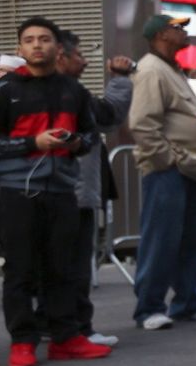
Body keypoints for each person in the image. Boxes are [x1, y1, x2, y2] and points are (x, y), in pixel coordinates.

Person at [0, 17, 113, 366]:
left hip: (62, 189)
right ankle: (23, 341)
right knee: (20, 269)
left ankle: (66, 337)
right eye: (29, 40)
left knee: (63, 268)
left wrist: (75, 142)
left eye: (45, 39)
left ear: (57, 48)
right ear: (20, 49)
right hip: (17, 192)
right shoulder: (6, 90)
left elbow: (91, 137)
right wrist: (32, 143)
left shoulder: (74, 91)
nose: (37, 45)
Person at [127, 14, 196, 330]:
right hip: (169, 168)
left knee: (193, 237)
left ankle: (189, 302)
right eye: (178, 28)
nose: (184, 32)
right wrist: (167, 159)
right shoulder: (151, 70)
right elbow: (143, 123)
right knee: (162, 238)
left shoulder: (170, 69)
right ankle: (149, 307)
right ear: (161, 35)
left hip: (187, 167)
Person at [58, 32, 138, 343]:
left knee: (63, 264)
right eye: (79, 54)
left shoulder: (28, 90)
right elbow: (108, 116)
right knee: (74, 263)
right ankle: (75, 329)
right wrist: (119, 79)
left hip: (49, 191)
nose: (86, 60)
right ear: (60, 56)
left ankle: (56, 328)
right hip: (70, 191)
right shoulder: (68, 94)